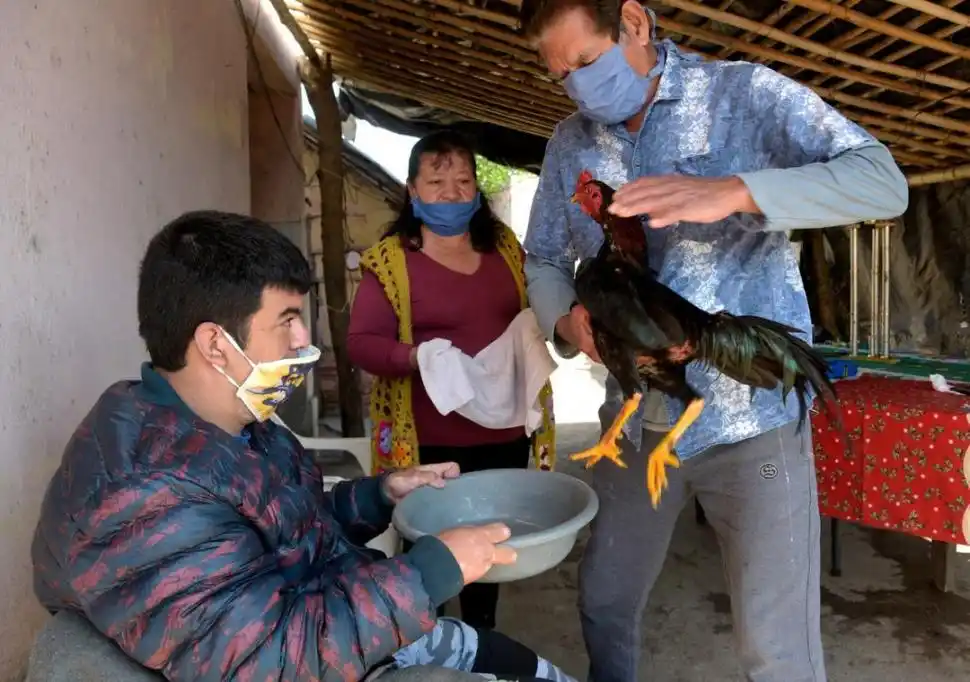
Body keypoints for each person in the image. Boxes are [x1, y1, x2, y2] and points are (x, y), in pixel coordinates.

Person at [517, 1, 909, 681]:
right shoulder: (568, 146)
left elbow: (883, 181)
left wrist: (735, 191)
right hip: (637, 422)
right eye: (560, 75)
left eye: (585, 62)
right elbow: (544, 257)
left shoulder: (744, 96)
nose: (577, 86)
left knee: (774, 647)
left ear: (634, 22)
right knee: (605, 600)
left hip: (749, 422)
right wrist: (564, 319)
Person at [30, 210, 575, 682]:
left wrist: (378, 496)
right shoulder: (146, 496)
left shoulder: (228, 420)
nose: (303, 343)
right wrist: (431, 570)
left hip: (340, 614)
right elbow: (266, 661)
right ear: (215, 344)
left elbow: (287, 528)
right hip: (314, 653)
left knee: (530, 668)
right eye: (287, 321)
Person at [347, 130, 556, 630]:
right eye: (437, 181)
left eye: (463, 181)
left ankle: (480, 642)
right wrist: (419, 356)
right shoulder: (391, 262)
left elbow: (541, 307)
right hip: (430, 444)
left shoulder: (506, 249)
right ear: (412, 191)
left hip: (505, 434)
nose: (451, 192)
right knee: (431, 557)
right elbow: (362, 344)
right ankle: (431, 646)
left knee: (492, 549)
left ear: (478, 192)